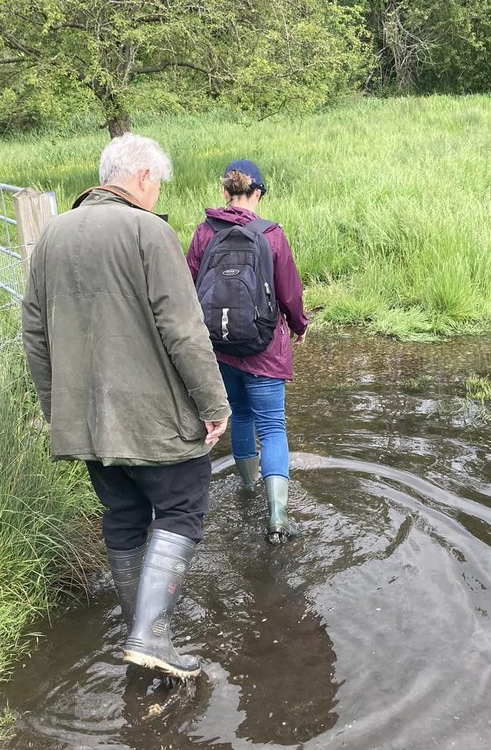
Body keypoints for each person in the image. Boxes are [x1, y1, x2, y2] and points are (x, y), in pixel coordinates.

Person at [21, 133, 230, 679]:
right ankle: (151, 634)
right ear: (140, 178)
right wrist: (214, 403)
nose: (157, 193)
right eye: (157, 183)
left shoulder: (52, 236)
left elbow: (35, 335)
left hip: (88, 424)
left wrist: (58, 410)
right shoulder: (149, 231)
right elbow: (183, 329)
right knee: (182, 508)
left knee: (124, 517)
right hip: (155, 422)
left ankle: (139, 628)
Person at [187, 159, 307, 542]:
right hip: (264, 348)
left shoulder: (204, 233)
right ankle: (277, 517)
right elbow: (289, 292)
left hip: (219, 348)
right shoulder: (271, 235)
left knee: (239, 415)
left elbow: (189, 288)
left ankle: (246, 489)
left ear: (225, 192)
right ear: (258, 193)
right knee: (272, 426)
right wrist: (299, 325)